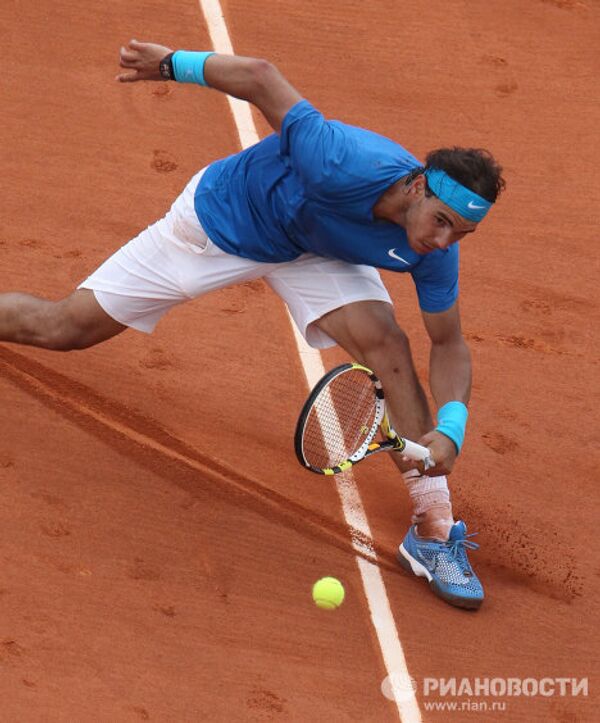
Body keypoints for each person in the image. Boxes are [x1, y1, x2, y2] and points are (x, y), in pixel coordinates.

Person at [1, 40, 505, 609]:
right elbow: (262, 77)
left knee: (388, 343)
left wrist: (454, 426)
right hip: (223, 225)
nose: (441, 241)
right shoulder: (342, 159)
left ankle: (433, 531)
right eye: (440, 222)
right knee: (64, 327)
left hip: (316, 252)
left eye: (459, 234)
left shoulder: (437, 249)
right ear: (417, 186)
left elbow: (449, 343)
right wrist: (170, 64)